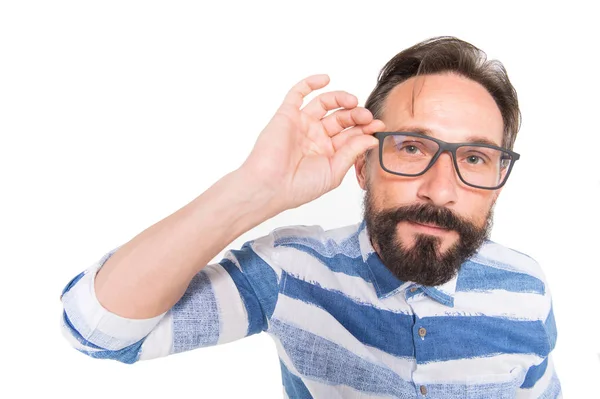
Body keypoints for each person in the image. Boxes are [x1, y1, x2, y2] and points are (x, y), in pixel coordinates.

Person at [59, 36, 561, 398]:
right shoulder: (291, 272)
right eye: (412, 147)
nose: (442, 190)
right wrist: (253, 190)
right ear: (363, 165)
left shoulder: (528, 289)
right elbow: (97, 330)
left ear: (498, 181)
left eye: (474, 159)